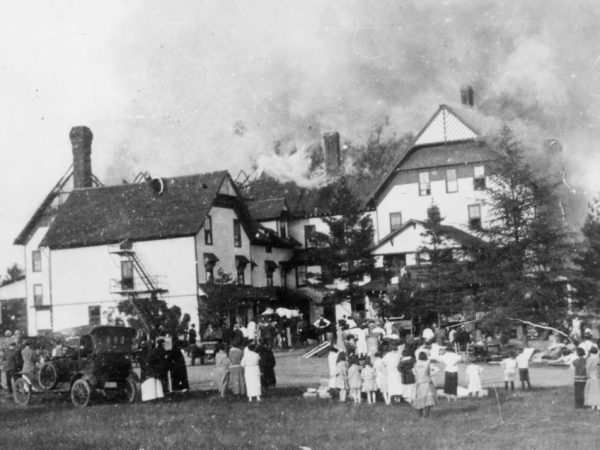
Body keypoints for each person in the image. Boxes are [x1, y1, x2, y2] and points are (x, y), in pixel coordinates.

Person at [413, 351, 439, 418]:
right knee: (428, 399)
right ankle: (426, 415)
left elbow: (413, 371)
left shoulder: (416, 364)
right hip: (427, 382)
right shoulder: (428, 363)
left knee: (419, 399)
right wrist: (430, 374)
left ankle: (420, 414)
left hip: (419, 383)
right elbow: (437, 369)